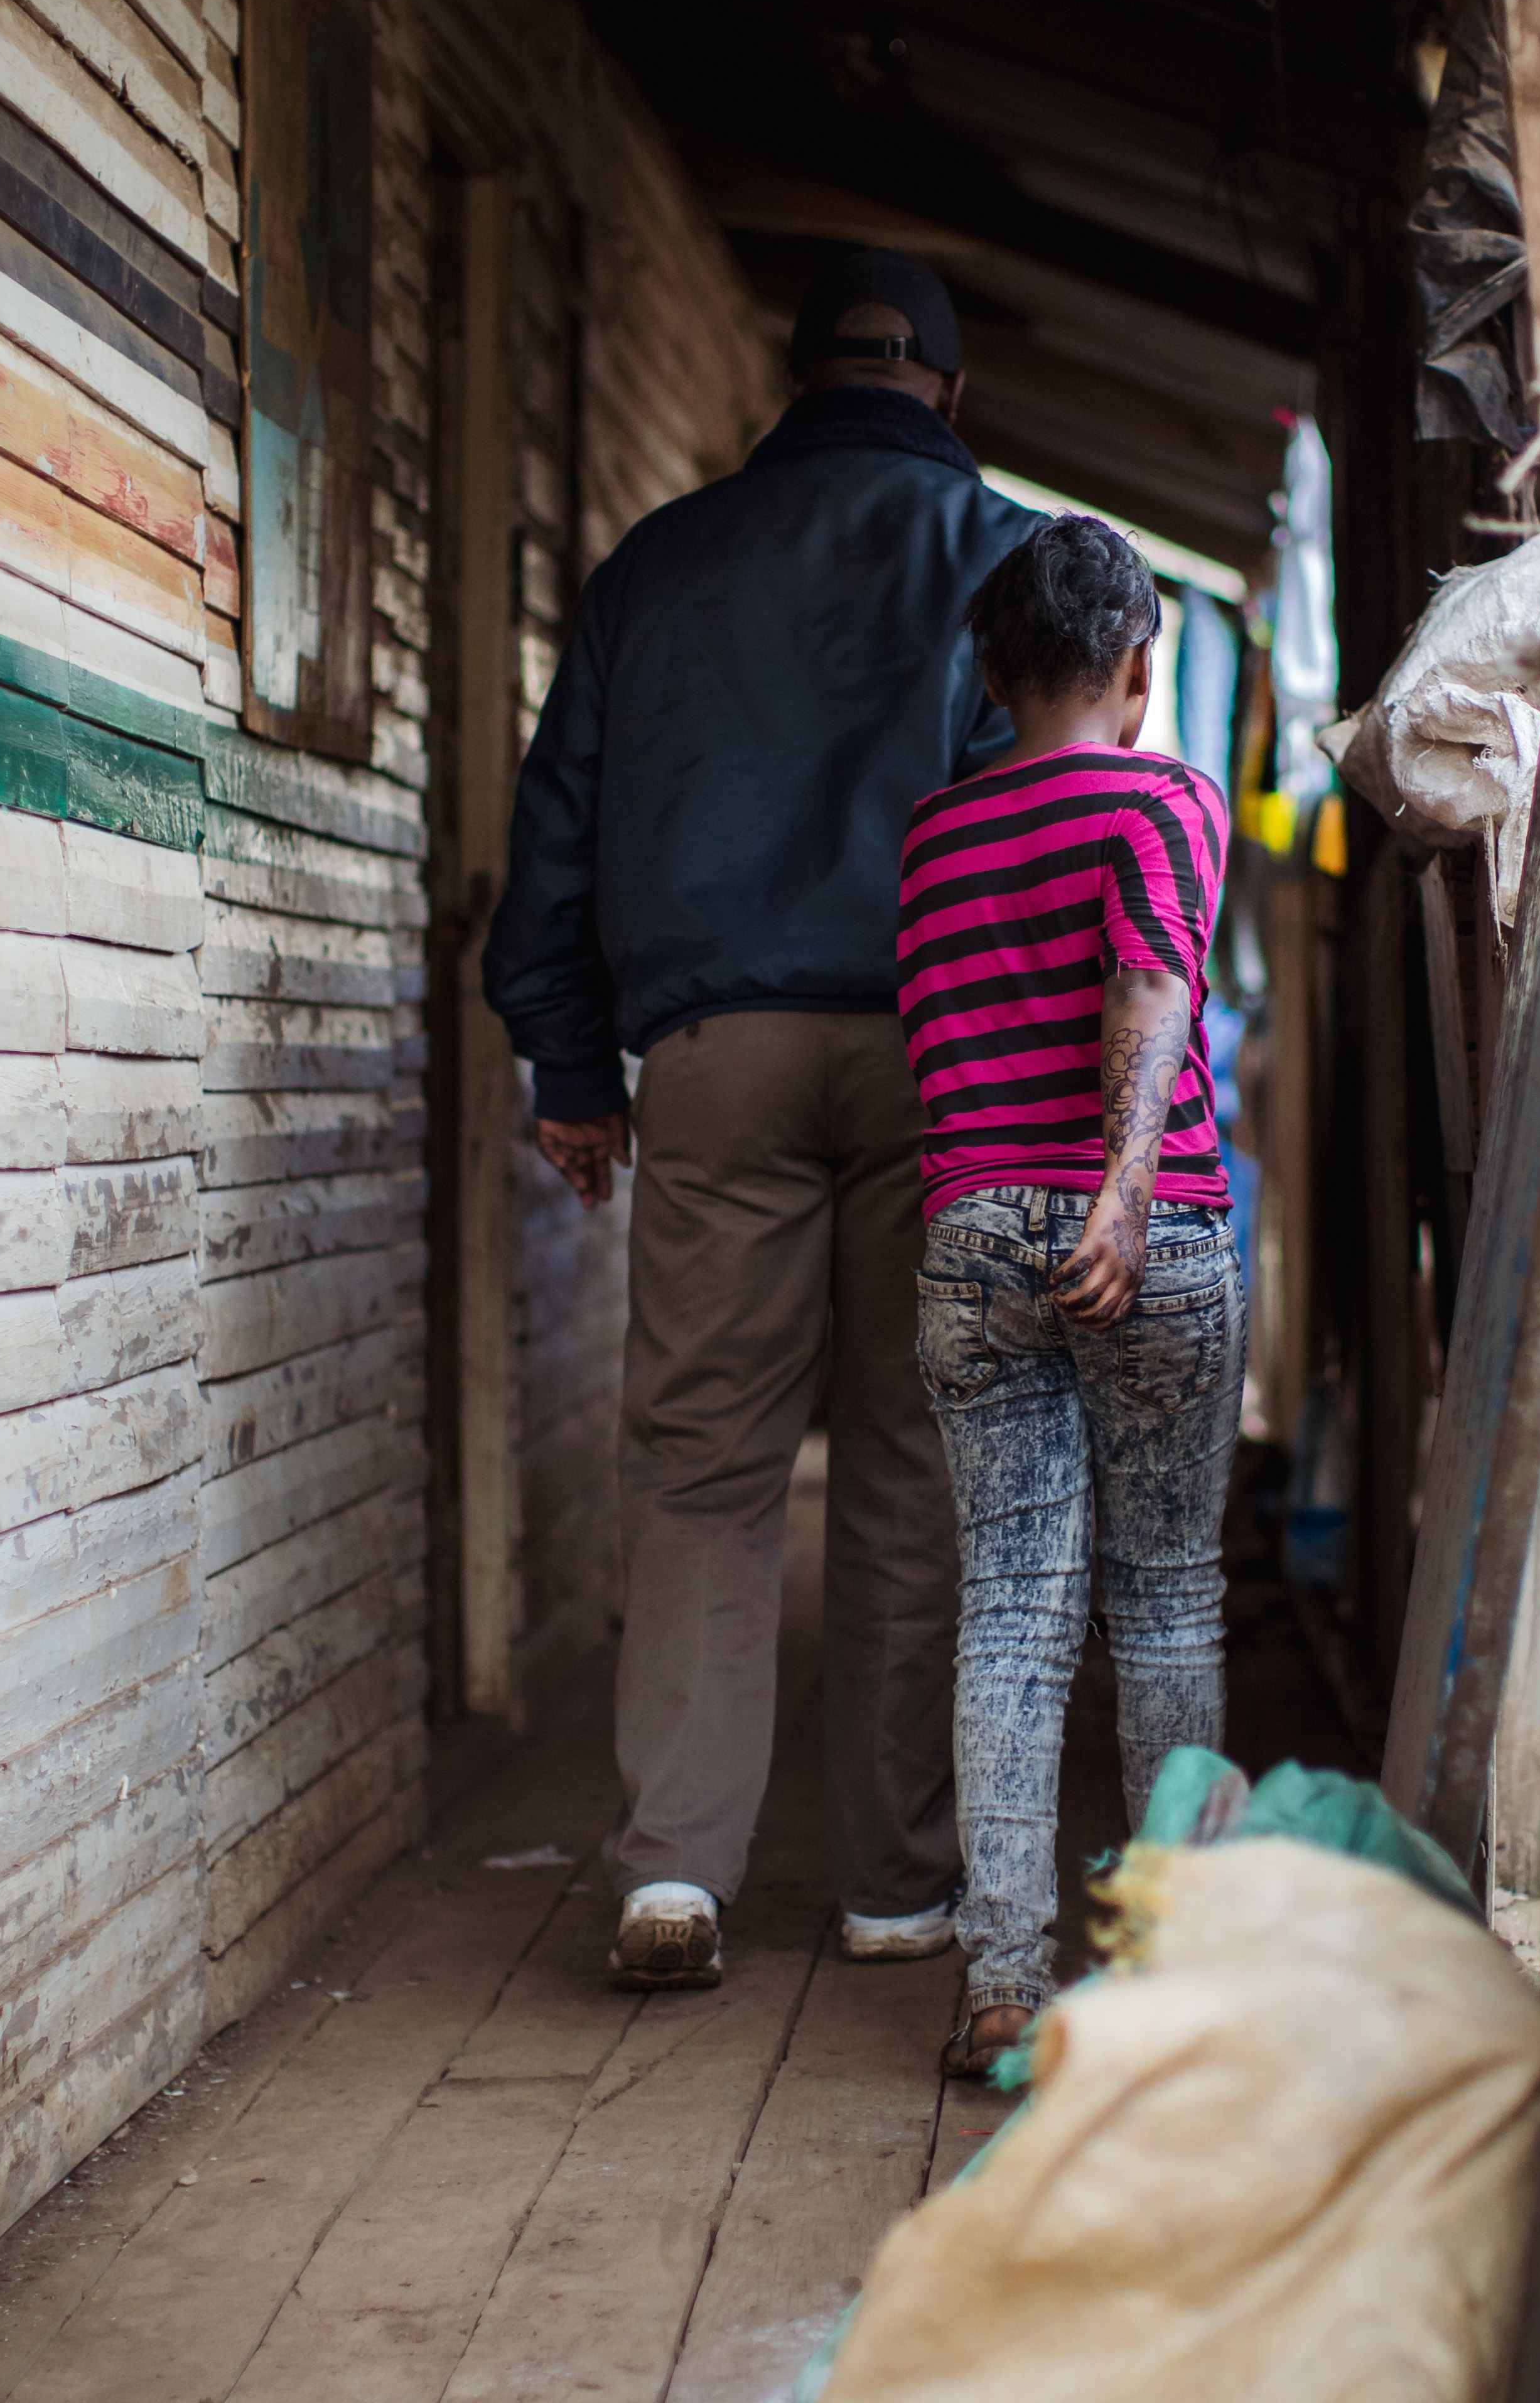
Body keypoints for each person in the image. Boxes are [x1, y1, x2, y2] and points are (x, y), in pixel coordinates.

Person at [484, 249, 1042, 1990]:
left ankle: (674, 1874)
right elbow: (1053, 822)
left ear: (793, 383)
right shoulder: (1008, 559)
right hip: (942, 1052)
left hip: (717, 1049)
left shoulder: (658, 562)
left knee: (706, 1463)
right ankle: (895, 1886)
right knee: (908, 1460)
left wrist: (573, 1069)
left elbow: (557, 821)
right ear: (947, 394)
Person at [893, 517, 1244, 2075]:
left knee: (1014, 1612)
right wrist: (1115, 1193)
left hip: (971, 1238)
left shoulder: (930, 836)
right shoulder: (1166, 796)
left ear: (989, 669)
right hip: (1140, 1229)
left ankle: (1002, 1982)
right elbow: (1153, 976)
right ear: (1138, 665)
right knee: (1164, 1595)